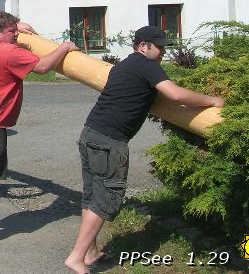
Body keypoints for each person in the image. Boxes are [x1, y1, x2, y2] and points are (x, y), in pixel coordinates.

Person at [64, 26, 224, 274]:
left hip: (91, 133)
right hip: (110, 140)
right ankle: (76, 258)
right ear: (142, 46)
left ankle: (90, 253)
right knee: (106, 198)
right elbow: (175, 95)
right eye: (158, 47)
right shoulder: (146, 65)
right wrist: (212, 100)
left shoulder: (124, 65)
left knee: (92, 195)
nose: (163, 52)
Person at [0, 12, 79, 251]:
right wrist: (64, 47)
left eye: (15, 30)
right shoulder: (9, 52)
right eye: (11, 31)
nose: (16, 35)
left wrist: (18, 24)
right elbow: (42, 66)